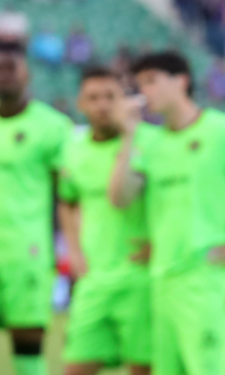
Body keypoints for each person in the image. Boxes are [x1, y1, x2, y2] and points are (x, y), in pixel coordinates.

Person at [109, 51, 225, 375]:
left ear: (181, 81)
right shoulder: (150, 142)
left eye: (151, 80)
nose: (144, 91)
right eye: (139, 83)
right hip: (161, 278)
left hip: (204, 278)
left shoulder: (222, 131)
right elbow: (120, 197)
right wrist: (129, 134)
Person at [58, 66, 153, 375]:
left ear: (126, 101)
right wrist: (74, 250)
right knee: (76, 366)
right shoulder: (72, 150)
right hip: (94, 280)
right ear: (80, 104)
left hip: (140, 278)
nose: (102, 105)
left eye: (111, 97)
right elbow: (67, 200)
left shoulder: (150, 143)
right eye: (93, 98)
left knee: (142, 368)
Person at [0, 39, 74, 375]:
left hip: (26, 254)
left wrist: (75, 248)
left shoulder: (53, 127)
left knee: (28, 348)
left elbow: (71, 194)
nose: (6, 75)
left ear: (28, 73)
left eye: (13, 67)